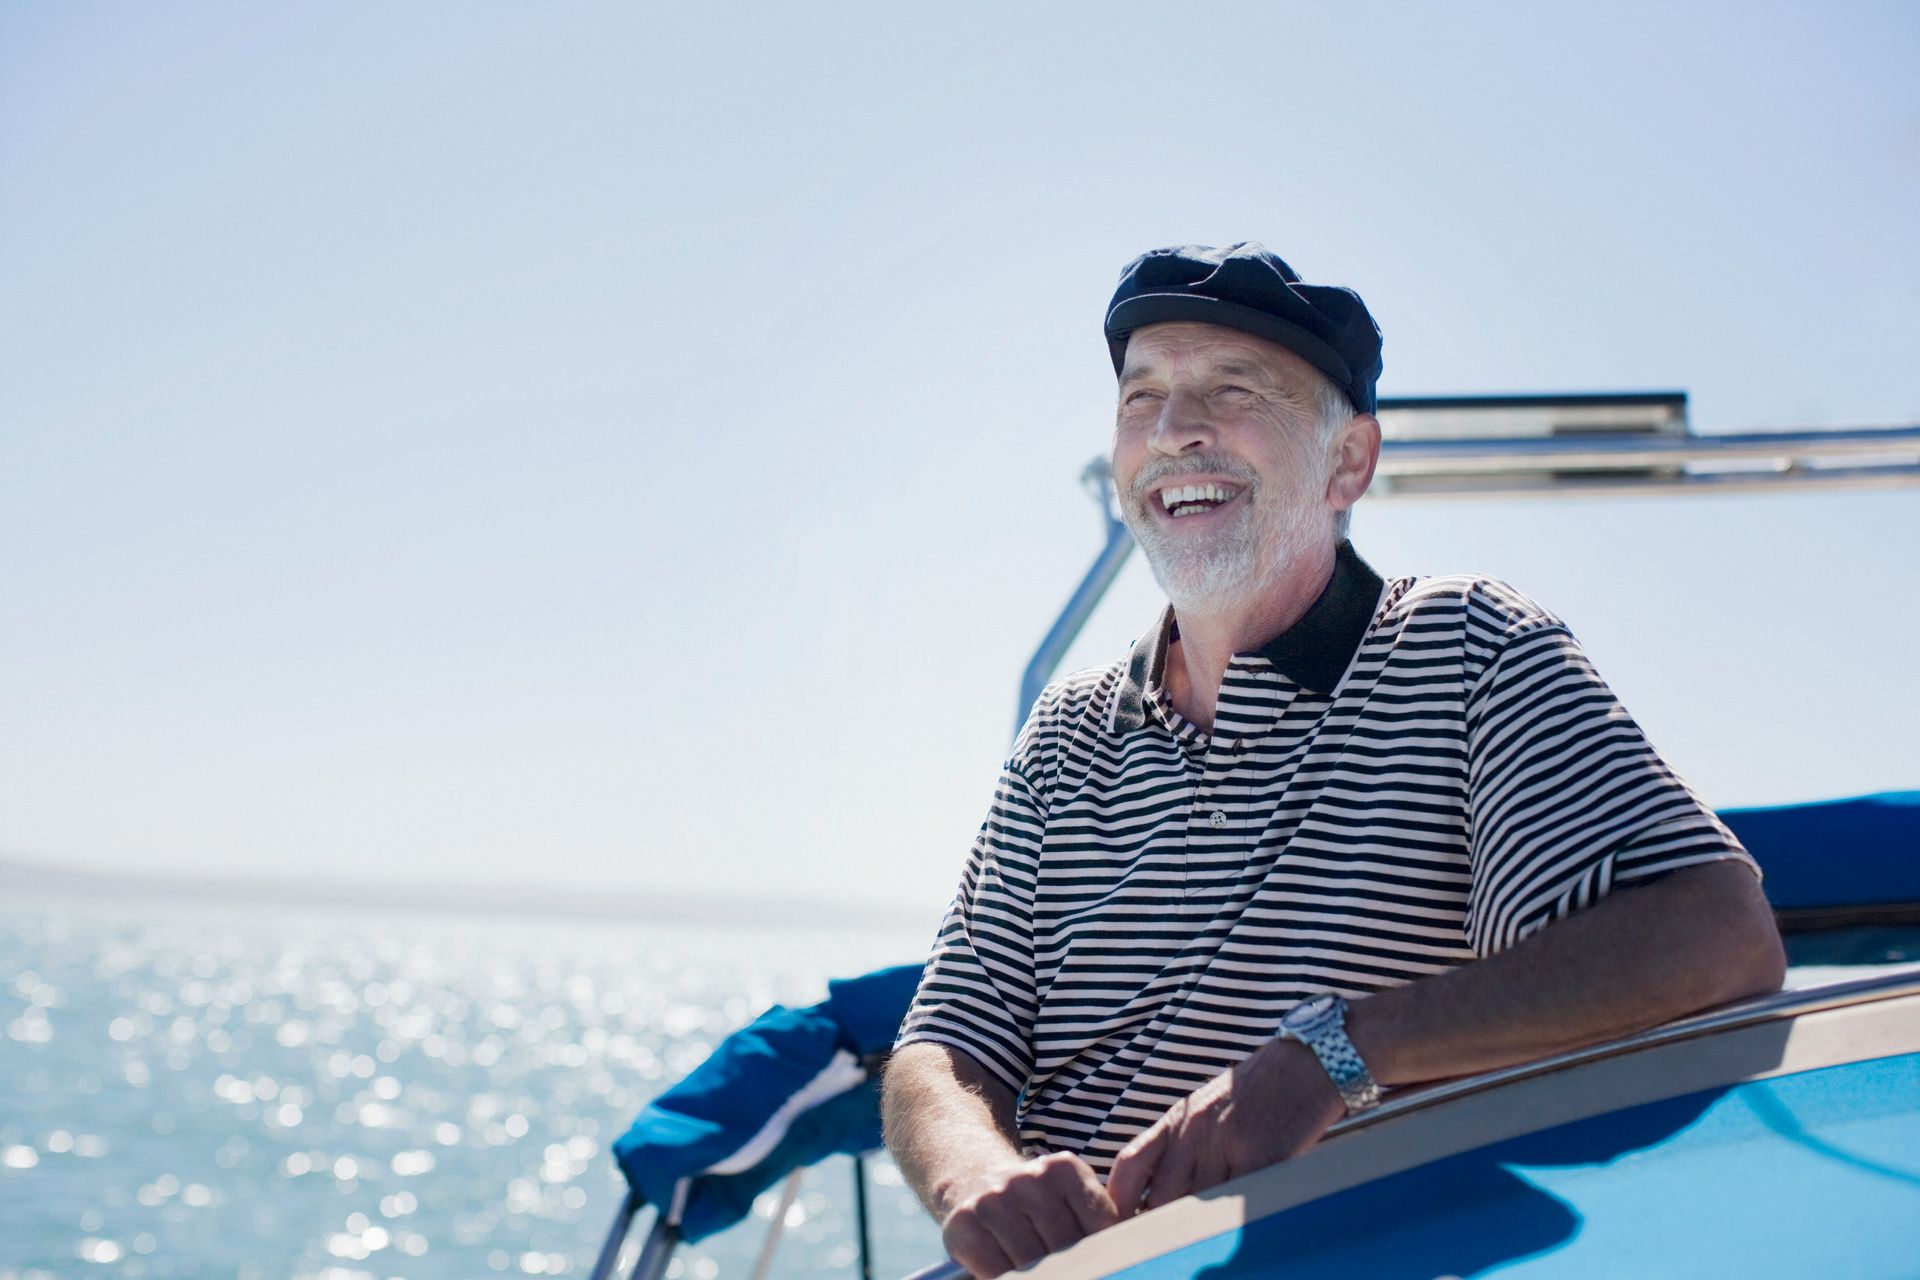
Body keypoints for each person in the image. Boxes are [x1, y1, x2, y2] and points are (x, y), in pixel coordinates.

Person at [881, 243, 1786, 1279]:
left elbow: (1713, 934)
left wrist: (1333, 1052)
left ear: (1349, 461)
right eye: (1143, 400)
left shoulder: (1467, 649)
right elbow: (943, 1047)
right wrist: (977, 1177)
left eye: (1234, 390)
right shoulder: (1066, 736)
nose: (1175, 431)